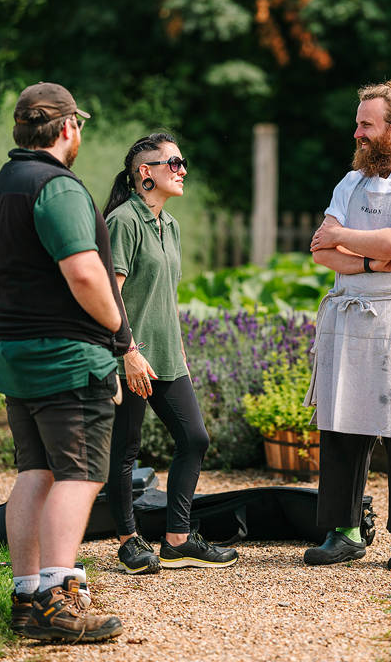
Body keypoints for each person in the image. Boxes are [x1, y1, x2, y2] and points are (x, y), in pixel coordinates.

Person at [0, 82, 131, 642]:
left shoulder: (1, 184)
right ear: (68, 127)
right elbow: (86, 274)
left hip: (13, 348)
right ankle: (56, 599)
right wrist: (118, 331)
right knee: (81, 474)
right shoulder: (57, 186)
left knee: (36, 472)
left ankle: (27, 597)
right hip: (67, 354)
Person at [303, 78, 391, 570]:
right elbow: (323, 252)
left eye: (367, 125)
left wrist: (347, 236)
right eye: (358, 123)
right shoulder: (352, 182)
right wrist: (366, 261)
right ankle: (343, 531)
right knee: (341, 422)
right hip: (350, 309)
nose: (358, 133)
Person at [104, 133, 238, 573]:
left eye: (183, 163)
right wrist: (128, 352)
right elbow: (112, 295)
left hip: (166, 355)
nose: (182, 171)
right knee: (126, 449)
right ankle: (128, 542)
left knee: (194, 438)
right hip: (128, 356)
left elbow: (165, 295)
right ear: (146, 173)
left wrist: (176, 348)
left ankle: (178, 540)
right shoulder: (124, 222)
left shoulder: (170, 225)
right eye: (174, 163)